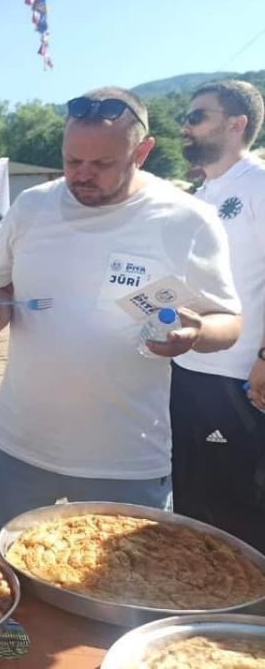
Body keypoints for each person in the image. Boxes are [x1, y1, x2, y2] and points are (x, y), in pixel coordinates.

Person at [0, 87, 242, 548]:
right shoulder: (32, 206)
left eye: (102, 165)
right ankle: (19, 629)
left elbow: (228, 322)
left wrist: (196, 333)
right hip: (18, 446)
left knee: (117, 595)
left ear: (143, 151)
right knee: (0, 587)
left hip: (126, 461)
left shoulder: (187, 220)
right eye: (73, 161)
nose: (82, 176)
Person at [171, 79, 265, 551]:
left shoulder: (259, 186)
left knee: (236, 510)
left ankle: (245, 619)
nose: (184, 127)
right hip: (186, 367)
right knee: (189, 502)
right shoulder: (198, 195)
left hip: (238, 378)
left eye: (196, 116)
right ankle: (192, 611)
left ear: (236, 125)